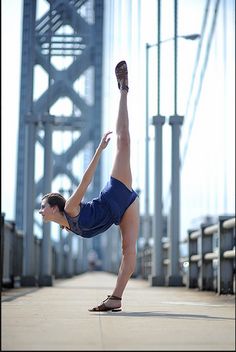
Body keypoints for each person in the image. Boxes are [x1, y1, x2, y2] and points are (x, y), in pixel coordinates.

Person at [39, 61, 140, 312]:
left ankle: (123, 89)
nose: (41, 212)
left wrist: (98, 150)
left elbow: (86, 181)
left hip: (114, 195)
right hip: (123, 209)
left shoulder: (71, 208)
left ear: (55, 208)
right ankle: (116, 300)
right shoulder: (67, 226)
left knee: (123, 141)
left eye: (43, 207)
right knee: (128, 251)